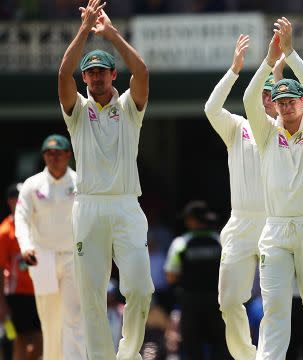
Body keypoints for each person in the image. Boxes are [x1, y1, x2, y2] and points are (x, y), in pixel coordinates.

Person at [57, 0, 154, 358]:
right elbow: (62, 76)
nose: (96, 77)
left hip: (127, 205)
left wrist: (111, 34)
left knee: (141, 289)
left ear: (114, 76)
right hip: (89, 207)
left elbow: (142, 72)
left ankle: (128, 354)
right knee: (92, 294)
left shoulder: (129, 108)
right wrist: (83, 30)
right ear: (85, 78)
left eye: (103, 71)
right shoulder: (77, 113)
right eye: (91, 73)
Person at [243, 17, 303, 359]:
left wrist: (291, 53)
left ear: (302, 103)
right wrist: (268, 61)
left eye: (291, 102)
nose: (285, 107)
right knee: (276, 312)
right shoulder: (266, 135)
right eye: (280, 103)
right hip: (276, 230)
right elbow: (252, 98)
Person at [203, 34, 283, 360]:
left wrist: (278, 73)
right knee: (228, 301)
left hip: (274, 223)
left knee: (274, 301)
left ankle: (268, 356)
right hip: (240, 222)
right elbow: (211, 108)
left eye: (271, 94)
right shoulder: (237, 126)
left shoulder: (286, 129)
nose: (266, 100)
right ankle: (245, 356)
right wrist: (235, 70)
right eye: (262, 94)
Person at [14, 135, 85, 360]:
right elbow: (21, 218)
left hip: (73, 257)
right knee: (50, 319)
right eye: (48, 154)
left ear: (68, 155)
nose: (53, 158)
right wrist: (26, 247)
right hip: (42, 258)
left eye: (58, 153)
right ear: (44, 156)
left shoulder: (80, 182)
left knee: (74, 317)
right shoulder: (32, 184)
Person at [164, 200, 229, 359]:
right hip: (217, 302)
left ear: (192, 220)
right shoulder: (220, 241)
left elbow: (170, 276)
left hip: (190, 303)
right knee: (220, 346)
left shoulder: (181, 243)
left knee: (193, 348)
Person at [0, 183, 43, 360]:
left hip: (39, 291)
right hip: (17, 295)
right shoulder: (5, 232)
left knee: (42, 341)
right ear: (11, 202)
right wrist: (1, 303)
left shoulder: (37, 226)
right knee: (20, 341)